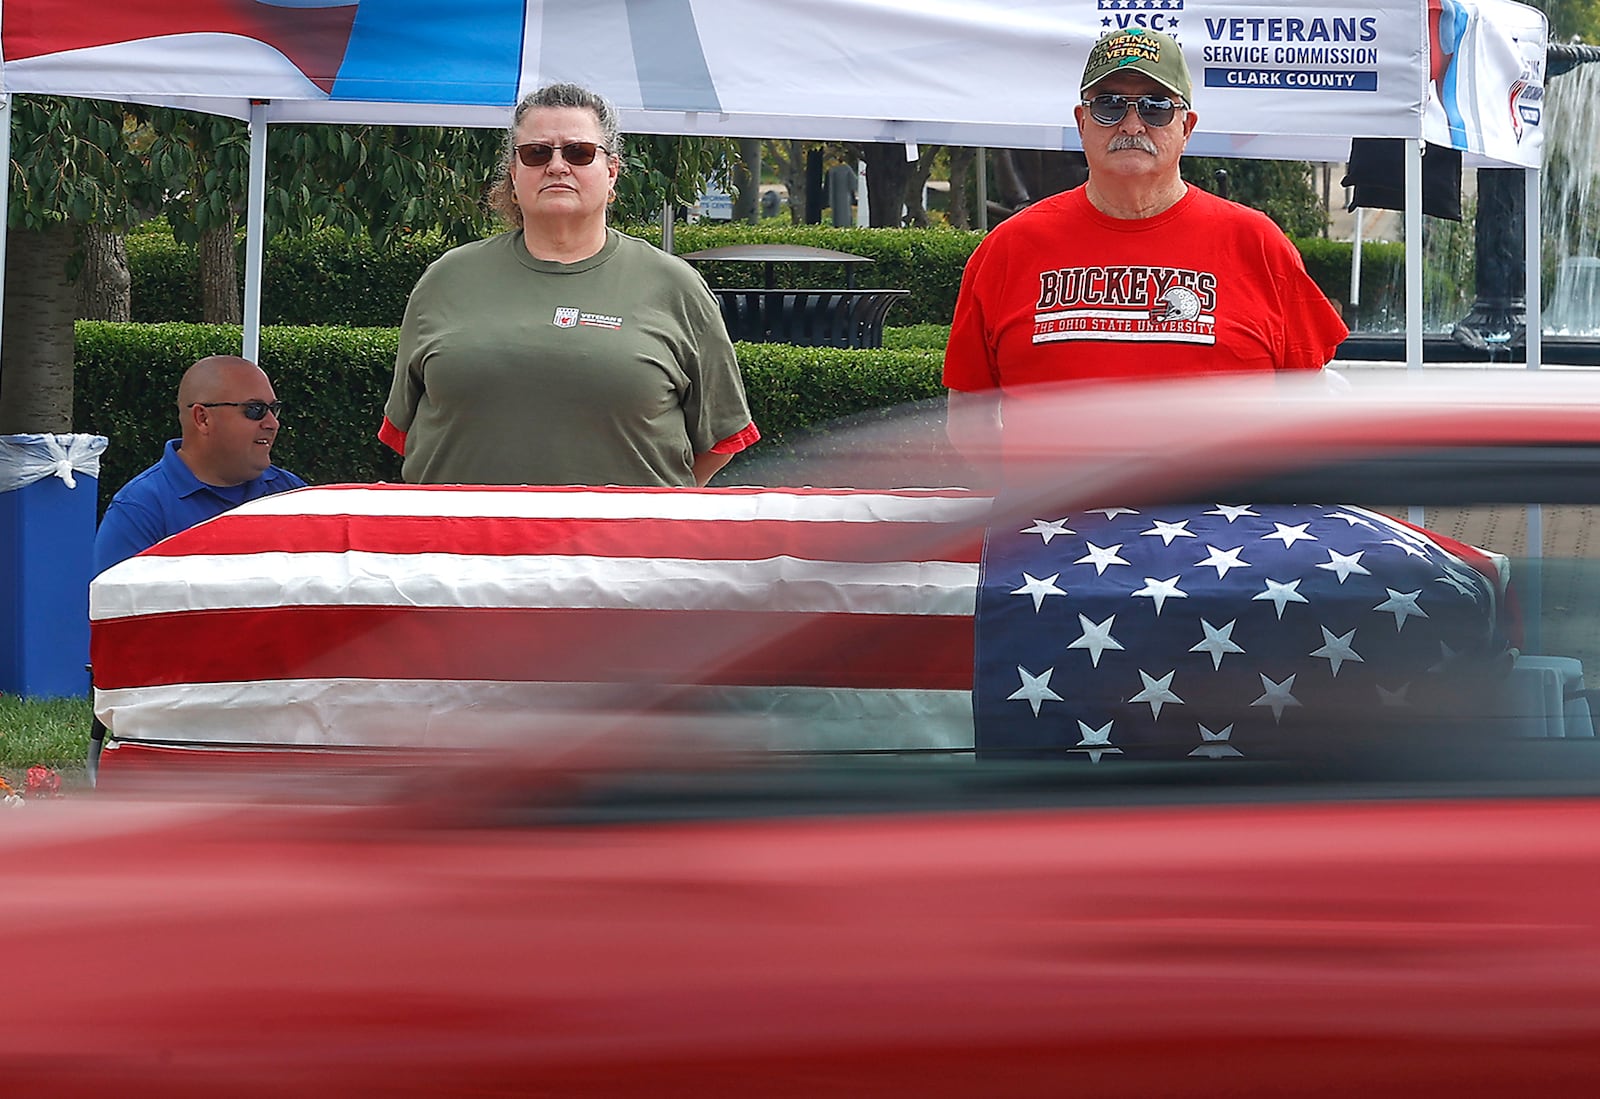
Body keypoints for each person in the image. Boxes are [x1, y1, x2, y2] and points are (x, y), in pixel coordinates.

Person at [942, 27, 1349, 456]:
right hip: (1060, 521)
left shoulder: (1257, 243)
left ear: (1186, 127)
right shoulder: (1009, 248)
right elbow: (970, 418)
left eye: (1156, 107)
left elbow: (1309, 407)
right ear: (1082, 122)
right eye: (1110, 105)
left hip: (1218, 520)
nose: (1132, 124)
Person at [380, 82, 759, 488]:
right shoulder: (445, 279)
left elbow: (723, 439)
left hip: (621, 550)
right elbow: (401, 431)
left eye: (579, 152)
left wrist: (650, 515)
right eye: (536, 153)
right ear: (513, 172)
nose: (557, 166)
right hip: (462, 547)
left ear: (612, 171)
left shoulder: (675, 286)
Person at [93, 356, 306, 574]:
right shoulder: (141, 511)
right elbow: (113, 605)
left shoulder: (291, 494)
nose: (273, 423)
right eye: (255, 409)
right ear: (202, 418)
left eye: (274, 409)